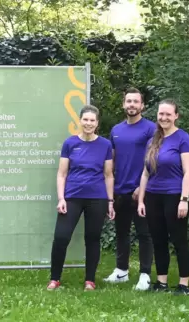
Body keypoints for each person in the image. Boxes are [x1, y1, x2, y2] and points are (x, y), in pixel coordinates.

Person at [47, 105, 115, 291]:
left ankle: (90, 281)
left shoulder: (105, 145)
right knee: (61, 237)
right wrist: (61, 198)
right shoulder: (70, 143)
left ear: (97, 123)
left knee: (92, 238)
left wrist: (110, 202)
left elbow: (108, 175)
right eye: (85, 119)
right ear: (80, 120)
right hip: (72, 197)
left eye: (92, 120)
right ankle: (55, 279)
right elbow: (62, 174)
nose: (88, 123)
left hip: (97, 198)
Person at [137, 99, 189, 295]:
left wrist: (184, 199)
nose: (164, 117)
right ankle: (161, 283)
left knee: (179, 241)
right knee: (158, 240)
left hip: (174, 196)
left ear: (176, 115)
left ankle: (184, 285)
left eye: (168, 114)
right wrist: (142, 200)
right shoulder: (152, 141)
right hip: (153, 196)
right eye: (161, 114)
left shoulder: (183, 139)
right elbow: (145, 173)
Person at [104, 88, 156, 290]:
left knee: (145, 234)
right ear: (123, 105)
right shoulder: (116, 130)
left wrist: (141, 187)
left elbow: (153, 160)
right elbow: (113, 161)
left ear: (142, 106)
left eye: (136, 101)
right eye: (128, 101)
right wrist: (112, 189)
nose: (132, 105)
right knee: (121, 233)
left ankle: (145, 275)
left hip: (141, 191)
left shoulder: (151, 129)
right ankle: (121, 271)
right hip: (120, 190)